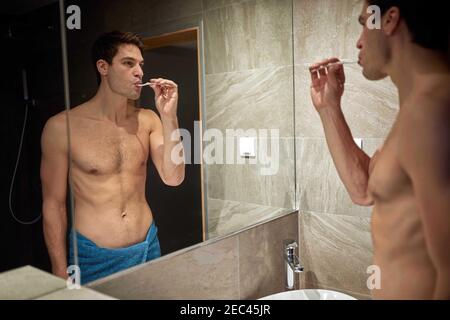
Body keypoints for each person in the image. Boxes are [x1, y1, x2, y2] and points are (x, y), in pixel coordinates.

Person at [309, 0, 449, 299]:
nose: (359, 42)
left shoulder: (434, 110)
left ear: (390, 20)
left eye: (363, 24)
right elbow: (364, 191)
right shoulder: (416, 111)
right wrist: (329, 108)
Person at [40, 31, 185, 284]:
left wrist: (169, 116)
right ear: (103, 67)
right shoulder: (61, 127)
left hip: (148, 248)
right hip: (94, 257)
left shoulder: (148, 119)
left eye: (140, 64)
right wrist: (59, 274)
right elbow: (54, 205)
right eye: (128, 63)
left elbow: (174, 177)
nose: (139, 72)